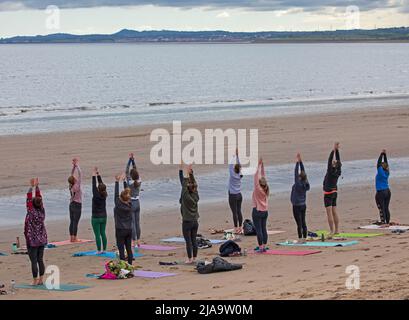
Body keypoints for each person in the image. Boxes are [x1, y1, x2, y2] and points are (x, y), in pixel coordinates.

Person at [24, 178, 47, 286]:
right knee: (40, 260)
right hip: (42, 239)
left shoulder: (31, 211)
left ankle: (34, 281)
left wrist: (32, 186)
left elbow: (29, 198)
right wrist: (37, 187)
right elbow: (38, 199)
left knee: (34, 261)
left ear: (32, 205)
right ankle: (41, 280)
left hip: (32, 240)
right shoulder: (42, 210)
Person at [179, 163, 200, 264]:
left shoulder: (186, 197)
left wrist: (186, 175)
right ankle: (195, 258)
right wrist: (191, 174)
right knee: (194, 240)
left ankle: (189, 259)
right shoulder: (195, 195)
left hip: (187, 222)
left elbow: (184, 186)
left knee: (188, 241)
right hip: (195, 221)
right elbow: (194, 184)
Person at [290, 153, 310, 243]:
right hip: (303, 205)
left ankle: (300, 238)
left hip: (297, 206)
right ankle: (305, 238)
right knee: (303, 221)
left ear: (299, 177)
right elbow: (303, 172)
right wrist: (301, 162)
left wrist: (297, 163)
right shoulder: (305, 183)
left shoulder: (298, 184)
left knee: (299, 223)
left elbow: (295, 172)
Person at [114, 174, 133, 265]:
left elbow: (116, 195)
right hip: (129, 229)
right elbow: (127, 194)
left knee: (121, 249)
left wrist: (117, 182)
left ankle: (123, 267)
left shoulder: (118, 204)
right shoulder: (130, 204)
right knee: (129, 249)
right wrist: (124, 182)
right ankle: (130, 265)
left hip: (120, 230)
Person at [323, 142, 342, 236]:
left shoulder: (330, 171)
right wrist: (337, 150)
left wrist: (333, 150)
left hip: (328, 193)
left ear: (334, 165)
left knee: (329, 213)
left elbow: (329, 159)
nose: (333, 162)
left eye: (334, 163)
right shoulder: (338, 171)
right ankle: (337, 230)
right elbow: (338, 160)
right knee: (334, 211)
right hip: (334, 192)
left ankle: (331, 231)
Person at [252, 158, 270, 253]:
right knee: (264, 228)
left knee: (259, 229)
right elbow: (263, 177)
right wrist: (262, 166)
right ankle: (264, 246)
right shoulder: (266, 189)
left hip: (257, 211)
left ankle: (261, 247)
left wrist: (258, 166)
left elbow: (256, 176)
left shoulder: (258, 188)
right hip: (265, 211)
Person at [125, 153, 142, 248]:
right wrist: (133, 160)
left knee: (132, 223)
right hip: (138, 202)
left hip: (131, 203)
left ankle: (134, 241)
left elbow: (126, 170)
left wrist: (129, 160)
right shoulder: (139, 180)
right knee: (137, 222)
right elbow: (135, 171)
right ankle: (138, 241)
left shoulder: (129, 182)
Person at [92, 167, 108, 254]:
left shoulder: (96, 195)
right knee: (103, 233)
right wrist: (98, 175)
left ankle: (98, 250)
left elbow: (94, 185)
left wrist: (93, 176)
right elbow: (101, 185)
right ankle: (104, 250)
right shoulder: (104, 194)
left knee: (97, 235)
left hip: (95, 217)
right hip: (104, 217)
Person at [228, 148, 243, 234]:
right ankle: (240, 227)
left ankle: (235, 228)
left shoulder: (232, 174)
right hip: (239, 195)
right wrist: (237, 156)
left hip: (233, 195)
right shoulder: (240, 174)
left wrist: (233, 156)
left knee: (234, 212)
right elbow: (239, 165)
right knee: (239, 211)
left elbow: (230, 164)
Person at [68, 158, 82, 242]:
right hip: (77, 204)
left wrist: (74, 166)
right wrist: (77, 165)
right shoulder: (77, 185)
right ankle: (75, 238)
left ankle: (71, 237)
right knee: (75, 222)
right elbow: (80, 174)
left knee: (72, 221)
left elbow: (72, 174)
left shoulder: (71, 185)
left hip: (71, 204)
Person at [376, 149, 391, 224]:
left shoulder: (380, 171)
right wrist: (385, 155)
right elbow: (386, 164)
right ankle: (387, 222)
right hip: (387, 191)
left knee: (381, 207)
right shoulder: (387, 171)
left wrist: (381, 154)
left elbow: (378, 163)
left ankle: (383, 223)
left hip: (381, 192)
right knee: (386, 207)